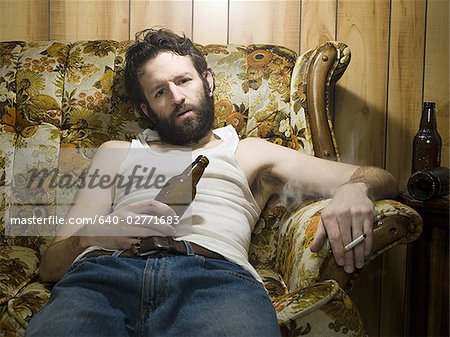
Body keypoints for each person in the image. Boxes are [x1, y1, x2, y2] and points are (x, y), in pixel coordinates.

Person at [25, 28, 398, 337]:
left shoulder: (249, 152)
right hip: (103, 278)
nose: (176, 97)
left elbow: (378, 175)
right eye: (159, 92)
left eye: (184, 80)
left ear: (207, 80)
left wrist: (355, 188)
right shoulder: (116, 151)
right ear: (145, 110)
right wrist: (96, 234)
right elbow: (50, 266)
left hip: (213, 283)